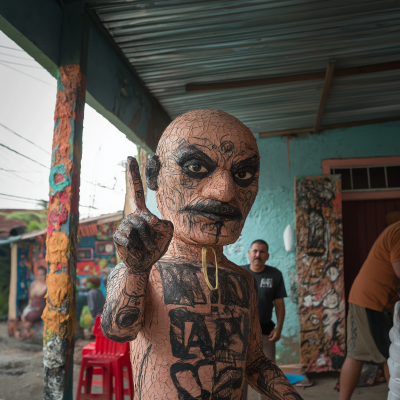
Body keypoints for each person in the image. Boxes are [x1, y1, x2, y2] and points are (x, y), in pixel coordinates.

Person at [101, 110, 303, 400]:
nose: (225, 191)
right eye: (195, 167)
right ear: (154, 175)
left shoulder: (243, 280)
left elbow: (253, 360)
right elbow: (118, 329)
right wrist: (136, 270)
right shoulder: (144, 270)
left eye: (243, 174)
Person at [339, 211, 400, 400]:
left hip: (365, 298)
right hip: (372, 300)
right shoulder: (399, 232)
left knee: (356, 354)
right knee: (390, 355)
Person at [241, 239, 287, 400]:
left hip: (266, 331)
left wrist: (279, 328)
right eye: (254, 251)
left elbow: (279, 304)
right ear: (249, 253)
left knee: (267, 373)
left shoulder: (275, 275)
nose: (257, 254)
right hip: (242, 332)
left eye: (262, 252)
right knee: (241, 371)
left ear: (267, 256)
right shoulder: (240, 274)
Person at [15, 266, 47, 340]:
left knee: (31, 316)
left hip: (40, 309)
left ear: (45, 275)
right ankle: (26, 331)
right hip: (31, 308)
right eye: (38, 274)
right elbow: (30, 300)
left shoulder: (47, 286)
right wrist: (26, 310)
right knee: (24, 316)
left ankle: (24, 332)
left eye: (42, 274)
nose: (40, 277)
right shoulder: (33, 284)